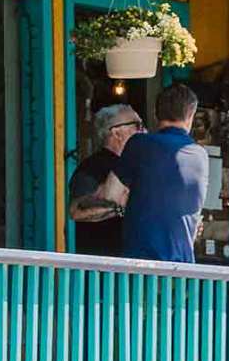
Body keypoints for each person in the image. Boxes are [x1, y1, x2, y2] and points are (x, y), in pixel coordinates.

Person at [112, 82, 213, 264]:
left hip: (141, 265)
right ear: (190, 115)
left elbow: (111, 194)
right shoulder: (200, 156)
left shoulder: (140, 144)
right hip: (182, 268)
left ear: (155, 113)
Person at [68, 103, 140, 256]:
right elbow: (77, 211)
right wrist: (122, 207)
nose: (142, 131)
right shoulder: (92, 168)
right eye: (136, 125)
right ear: (116, 132)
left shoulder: (132, 165)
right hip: (100, 266)